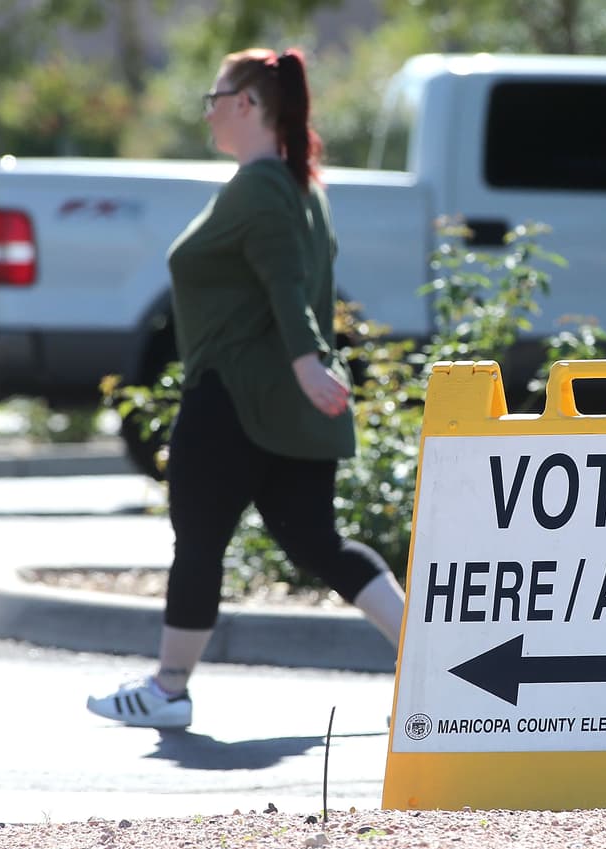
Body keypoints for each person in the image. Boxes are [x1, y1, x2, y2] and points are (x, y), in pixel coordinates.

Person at [87, 47, 406, 729]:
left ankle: (168, 691)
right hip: (281, 405)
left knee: (198, 542)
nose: (207, 110)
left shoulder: (261, 186)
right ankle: (430, 667)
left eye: (215, 96)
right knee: (320, 542)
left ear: (248, 105)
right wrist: (309, 370)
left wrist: (305, 362)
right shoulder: (301, 187)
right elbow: (288, 281)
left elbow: (285, 282)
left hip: (232, 395)